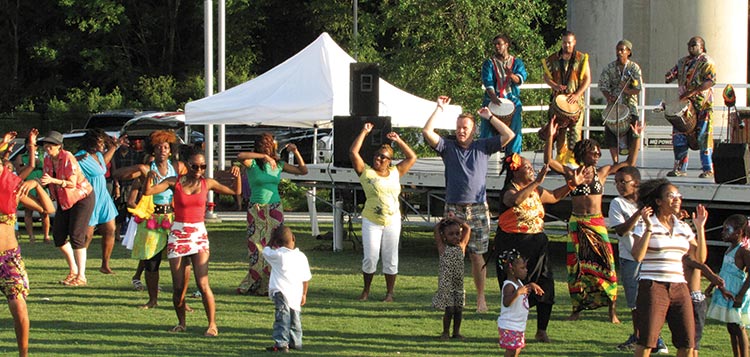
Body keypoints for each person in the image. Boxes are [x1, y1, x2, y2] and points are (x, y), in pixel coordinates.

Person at [422, 95, 515, 312]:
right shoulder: (448, 147)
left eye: (465, 128)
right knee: (453, 255)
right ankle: (451, 298)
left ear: (473, 130)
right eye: (458, 127)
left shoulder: (483, 146)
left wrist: (490, 116)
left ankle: (480, 298)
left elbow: (508, 134)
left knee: (476, 254)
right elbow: (427, 133)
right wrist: (439, 109)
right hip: (454, 208)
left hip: (478, 208)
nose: (461, 131)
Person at [544, 117, 641, 322]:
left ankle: (612, 311)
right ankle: (577, 310)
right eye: (593, 152)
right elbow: (549, 161)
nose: (597, 155)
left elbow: (629, 163)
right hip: (577, 222)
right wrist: (550, 138)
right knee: (577, 268)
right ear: (583, 153)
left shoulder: (603, 172)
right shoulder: (571, 172)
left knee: (607, 265)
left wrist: (636, 137)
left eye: (599, 152)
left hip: (596, 222)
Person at [144, 148, 240, 336]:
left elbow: (236, 191)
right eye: (195, 166)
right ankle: (181, 323)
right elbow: (148, 191)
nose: (199, 170)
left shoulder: (207, 183)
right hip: (178, 233)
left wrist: (236, 176)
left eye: (203, 166)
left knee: (203, 283)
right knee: (178, 286)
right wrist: (149, 175)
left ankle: (212, 324)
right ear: (187, 165)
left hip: (198, 234)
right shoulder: (175, 182)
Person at [493, 153, 579, 342]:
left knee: (546, 285)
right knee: (513, 288)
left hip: (537, 247)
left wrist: (572, 184)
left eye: (532, 168)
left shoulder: (536, 191)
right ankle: (511, 329)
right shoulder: (509, 190)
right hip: (514, 246)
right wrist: (537, 181)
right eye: (528, 168)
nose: (532, 170)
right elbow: (514, 201)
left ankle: (542, 330)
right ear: (516, 173)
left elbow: (555, 196)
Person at [631, 179, 708, 356]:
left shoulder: (683, 226)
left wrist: (700, 228)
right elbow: (638, 255)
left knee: (687, 342)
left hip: (680, 287)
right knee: (647, 341)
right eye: (670, 196)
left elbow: (700, 258)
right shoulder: (645, 222)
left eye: (678, 196)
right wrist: (649, 228)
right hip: (653, 285)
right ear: (658, 201)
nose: (676, 200)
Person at [114, 130, 186, 308]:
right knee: (151, 262)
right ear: (153, 150)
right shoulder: (147, 169)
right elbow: (118, 175)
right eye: (159, 147)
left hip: (172, 217)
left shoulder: (177, 167)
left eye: (166, 147)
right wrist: (139, 170)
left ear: (171, 150)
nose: (162, 149)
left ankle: (181, 301)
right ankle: (152, 300)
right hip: (152, 219)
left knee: (180, 262)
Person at [1, 129, 55, 357]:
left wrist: (37, 186)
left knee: (19, 307)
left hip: (9, 258)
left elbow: (48, 209)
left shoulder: (12, 187)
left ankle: (23, 355)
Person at [350, 123, 417, 302]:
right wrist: (364, 132)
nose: (378, 159)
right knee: (370, 257)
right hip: (372, 220)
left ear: (390, 161)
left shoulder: (396, 172)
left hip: (393, 220)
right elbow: (353, 152)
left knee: (391, 257)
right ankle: (366, 291)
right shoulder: (366, 172)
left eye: (383, 157)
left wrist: (398, 140)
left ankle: (389, 293)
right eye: (377, 156)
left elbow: (412, 157)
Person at [236, 133, 308, 296]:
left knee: (275, 245)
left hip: (274, 207)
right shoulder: (252, 163)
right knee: (256, 247)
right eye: (263, 145)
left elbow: (303, 171)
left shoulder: (279, 164)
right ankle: (255, 282)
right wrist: (263, 156)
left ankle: (270, 284)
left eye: (269, 145)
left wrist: (296, 152)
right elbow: (240, 156)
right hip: (257, 208)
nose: (266, 147)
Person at [39, 130, 96, 287]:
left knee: (76, 235)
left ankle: (81, 275)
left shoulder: (68, 157)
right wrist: (48, 187)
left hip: (81, 197)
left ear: (59, 146)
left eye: (50, 146)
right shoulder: (48, 160)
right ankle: (73, 270)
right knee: (58, 236)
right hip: (64, 199)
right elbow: (47, 178)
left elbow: (72, 183)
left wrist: (53, 181)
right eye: (45, 146)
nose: (47, 149)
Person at [665, 36, 716, 178]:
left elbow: (710, 81)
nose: (691, 47)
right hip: (684, 107)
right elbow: (670, 75)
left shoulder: (707, 61)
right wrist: (669, 76)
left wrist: (692, 92)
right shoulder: (682, 62)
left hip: (702, 105)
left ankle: (708, 168)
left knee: (703, 137)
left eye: (695, 45)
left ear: (702, 47)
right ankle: (680, 167)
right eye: (690, 45)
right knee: (679, 136)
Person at [76, 129, 125, 274]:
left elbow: (103, 165)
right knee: (87, 235)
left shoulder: (98, 155)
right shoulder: (80, 156)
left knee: (110, 230)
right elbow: (68, 163)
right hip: (89, 197)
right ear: (91, 142)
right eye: (100, 142)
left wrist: (114, 147)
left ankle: (105, 264)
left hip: (103, 197)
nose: (103, 144)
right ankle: (79, 269)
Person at [542, 30, 592, 165]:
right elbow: (546, 77)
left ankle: (574, 158)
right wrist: (554, 85)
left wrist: (577, 94)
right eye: (564, 42)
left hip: (575, 101)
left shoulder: (581, 59)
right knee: (559, 130)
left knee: (575, 130)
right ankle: (560, 158)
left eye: (569, 43)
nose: (567, 45)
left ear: (574, 42)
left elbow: (587, 79)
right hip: (558, 101)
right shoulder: (553, 59)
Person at [263, 225, 312, 353]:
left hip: (281, 291)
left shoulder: (278, 255)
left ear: (277, 243)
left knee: (282, 317)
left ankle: (281, 343)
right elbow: (306, 278)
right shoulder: (301, 256)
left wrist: (271, 240)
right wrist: (304, 294)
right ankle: (296, 342)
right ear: (294, 238)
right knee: (295, 317)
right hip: (296, 292)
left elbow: (265, 251)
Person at [707, 214, 750, 357]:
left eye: (727, 229)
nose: (723, 232)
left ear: (738, 232)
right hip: (726, 293)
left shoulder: (743, 251)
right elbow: (723, 272)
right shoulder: (729, 248)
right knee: (730, 327)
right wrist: (710, 287)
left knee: (738, 326)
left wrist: (740, 296)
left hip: (736, 293)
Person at [480, 34, 527, 155]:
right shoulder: (489, 63)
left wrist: (511, 75)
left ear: (506, 45)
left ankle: (512, 157)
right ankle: (481, 154)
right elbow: (488, 81)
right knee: (486, 128)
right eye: (495, 44)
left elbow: (521, 79)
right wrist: (493, 97)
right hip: (492, 98)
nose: (496, 47)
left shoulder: (517, 63)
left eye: (499, 44)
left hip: (512, 100)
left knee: (515, 129)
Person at [599, 39, 643, 163]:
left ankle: (630, 162)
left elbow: (638, 88)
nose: (619, 52)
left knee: (633, 133)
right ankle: (615, 162)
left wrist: (628, 90)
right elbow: (603, 85)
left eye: (622, 50)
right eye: (617, 50)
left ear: (628, 52)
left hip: (630, 106)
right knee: (610, 134)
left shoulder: (634, 68)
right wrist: (608, 96)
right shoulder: (609, 68)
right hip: (614, 106)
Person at [497, 249, 544, 357]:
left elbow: (523, 289)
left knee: (517, 349)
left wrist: (531, 285)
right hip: (509, 325)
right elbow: (506, 302)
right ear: (511, 269)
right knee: (512, 351)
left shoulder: (518, 282)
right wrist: (517, 293)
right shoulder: (509, 285)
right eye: (522, 268)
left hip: (518, 325)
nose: (526, 270)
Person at [432, 216, 471, 340]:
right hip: (446, 284)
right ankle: (445, 332)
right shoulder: (442, 248)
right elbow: (436, 229)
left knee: (459, 309)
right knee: (449, 309)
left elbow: (467, 228)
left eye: (457, 234)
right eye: (451, 234)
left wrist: (456, 219)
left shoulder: (462, 247)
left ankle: (456, 332)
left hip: (458, 284)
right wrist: (443, 221)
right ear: (444, 236)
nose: (455, 237)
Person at [13, 133, 51, 244]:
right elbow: (20, 170)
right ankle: (31, 236)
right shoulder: (21, 157)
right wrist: (32, 163)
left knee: (44, 212)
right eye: (30, 145)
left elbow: (47, 167)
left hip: (41, 186)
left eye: (34, 145)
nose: (33, 147)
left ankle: (46, 236)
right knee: (28, 213)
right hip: (27, 186)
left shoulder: (42, 155)